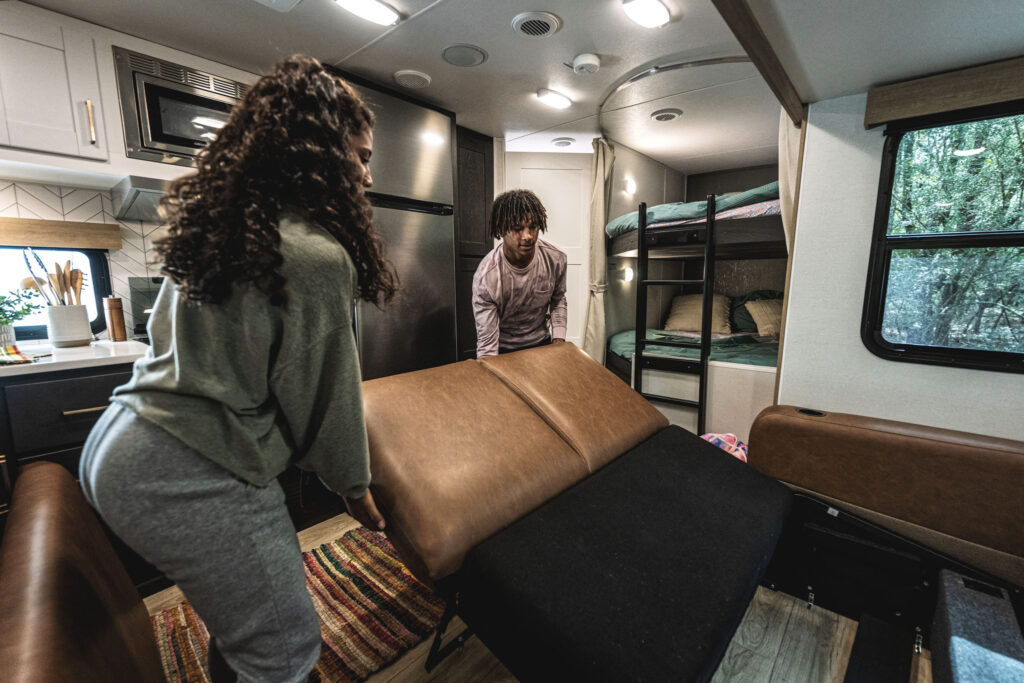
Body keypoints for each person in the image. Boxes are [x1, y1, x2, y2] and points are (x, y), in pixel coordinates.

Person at [78, 55, 397, 683]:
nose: (365, 175)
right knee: (285, 648)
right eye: (357, 157)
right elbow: (323, 395)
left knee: (252, 627)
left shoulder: (223, 230)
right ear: (316, 156)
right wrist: (357, 491)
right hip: (191, 466)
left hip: (122, 441)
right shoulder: (313, 253)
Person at [472, 189, 567, 357]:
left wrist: (558, 343)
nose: (528, 236)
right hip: (503, 349)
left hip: (542, 343)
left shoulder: (555, 259)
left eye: (533, 227)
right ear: (501, 230)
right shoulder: (487, 277)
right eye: (517, 228)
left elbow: (558, 298)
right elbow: (487, 344)